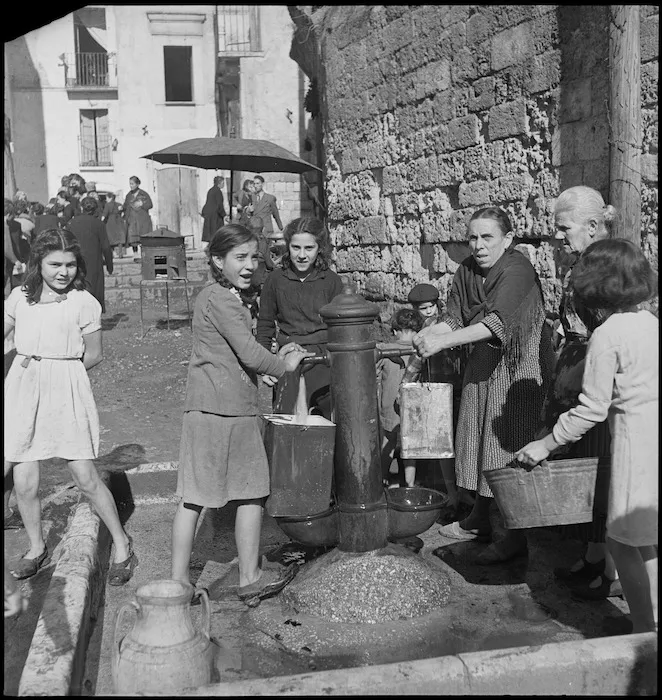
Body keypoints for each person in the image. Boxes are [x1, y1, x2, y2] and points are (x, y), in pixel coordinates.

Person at [517, 238, 658, 633]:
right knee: (645, 539)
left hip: (633, 445)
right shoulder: (651, 324)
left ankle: (643, 631)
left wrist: (545, 443)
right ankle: (654, 622)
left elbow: (592, 408)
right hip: (656, 439)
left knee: (621, 541)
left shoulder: (608, 334)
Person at [170, 223, 311, 602]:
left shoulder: (222, 297)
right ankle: (240, 578)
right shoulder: (221, 300)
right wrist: (286, 366)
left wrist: (271, 361)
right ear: (217, 260)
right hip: (221, 412)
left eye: (253, 257)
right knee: (235, 495)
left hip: (225, 408)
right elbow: (249, 352)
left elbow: (239, 353)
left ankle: (187, 581)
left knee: (217, 495)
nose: (250, 265)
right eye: (240, 257)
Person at [414, 206, 554, 564]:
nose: (478, 245)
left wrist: (444, 342)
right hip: (482, 362)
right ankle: (479, 518)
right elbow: (454, 316)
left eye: (487, 237)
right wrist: (431, 333)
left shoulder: (518, 270)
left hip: (519, 368)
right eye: (473, 237)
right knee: (476, 441)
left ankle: (512, 537)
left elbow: (496, 323)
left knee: (504, 447)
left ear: (507, 240)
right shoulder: (466, 270)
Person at [4, 229, 136, 585]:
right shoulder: (20, 297)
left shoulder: (82, 301)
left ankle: (122, 545)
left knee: (84, 476)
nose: (62, 271)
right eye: (54, 264)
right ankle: (35, 548)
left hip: (66, 389)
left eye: (70, 264)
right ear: (38, 263)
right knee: (25, 480)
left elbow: (94, 354)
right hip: (23, 387)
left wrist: (61, 372)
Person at [536, 185, 621, 600]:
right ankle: (594, 555)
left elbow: (609, 331)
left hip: (596, 386)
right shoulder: (584, 262)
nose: (557, 236)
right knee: (589, 473)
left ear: (592, 226)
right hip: (578, 378)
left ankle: (613, 575)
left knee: (600, 474)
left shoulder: (603, 268)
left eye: (563, 227)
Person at [256, 217, 345, 417]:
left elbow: (340, 328)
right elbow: (265, 325)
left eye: (309, 248)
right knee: (288, 424)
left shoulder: (331, 281)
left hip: (323, 361)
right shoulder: (275, 280)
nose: (302, 255)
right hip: (288, 358)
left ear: (319, 248)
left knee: (323, 421)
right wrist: (265, 364)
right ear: (288, 247)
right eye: (296, 248)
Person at [400, 283, 469, 507]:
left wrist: (405, 385)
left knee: (452, 443)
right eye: (423, 308)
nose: (429, 312)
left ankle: (459, 492)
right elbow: (416, 362)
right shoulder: (427, 332)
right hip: (437, 391)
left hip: (457, 388)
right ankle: (454, 493)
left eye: (431, 307)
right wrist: (406, 386)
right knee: (443, 445)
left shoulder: (445, 325)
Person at [377, 307, 424, 487]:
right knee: (410, 447)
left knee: (387, 442)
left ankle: (381, 480)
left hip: (389, 405)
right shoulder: (420, 350)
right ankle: (410, 484)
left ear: (395, 331)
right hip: (414, 405)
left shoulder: (384, 350)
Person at [68, 197, 113, 312]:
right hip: (94, 261)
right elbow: (106, 247)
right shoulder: (99, 224)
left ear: (81, 207)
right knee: (94, 288)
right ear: (95, 209)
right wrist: (109, 265)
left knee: (77, 287)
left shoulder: (72, 223)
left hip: (76, 260)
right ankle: (94, 315)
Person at [122, 176, 153, 256]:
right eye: (130, 184)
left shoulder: (144, 194)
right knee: (133, 238)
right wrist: (122, 208)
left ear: (137, 184)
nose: (131, 186)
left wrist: (142, 204)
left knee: (143, 236)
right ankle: (135, 254)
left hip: (142, 219)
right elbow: (125, 206)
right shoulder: (129, 195)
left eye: (132, 184)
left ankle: (144, 254)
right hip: (132, 219)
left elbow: (150, 205)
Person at [101, 192, 128, 259]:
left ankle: (112, 254)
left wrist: (101, 221)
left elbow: (105, 214)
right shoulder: (118, 204)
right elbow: (124, 209)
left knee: (110, 238)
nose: (106, 199)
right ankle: (120, 253)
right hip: (119, 221)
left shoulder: (107, 205)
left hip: (110, 222)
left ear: (110, 198)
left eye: (107, 198)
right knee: (119, 238)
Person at [201, 176, 227, 245]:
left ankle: (210, 250)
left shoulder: (211, 190)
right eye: (223, 183)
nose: (223, 184)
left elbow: (207, 203)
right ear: (219, 183)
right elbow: (219, 205)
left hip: (209, 216)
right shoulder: (218, 191)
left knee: (211, 236)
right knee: (217, 235)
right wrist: (224, 215)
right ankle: (213, 251)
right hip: (215, 217)